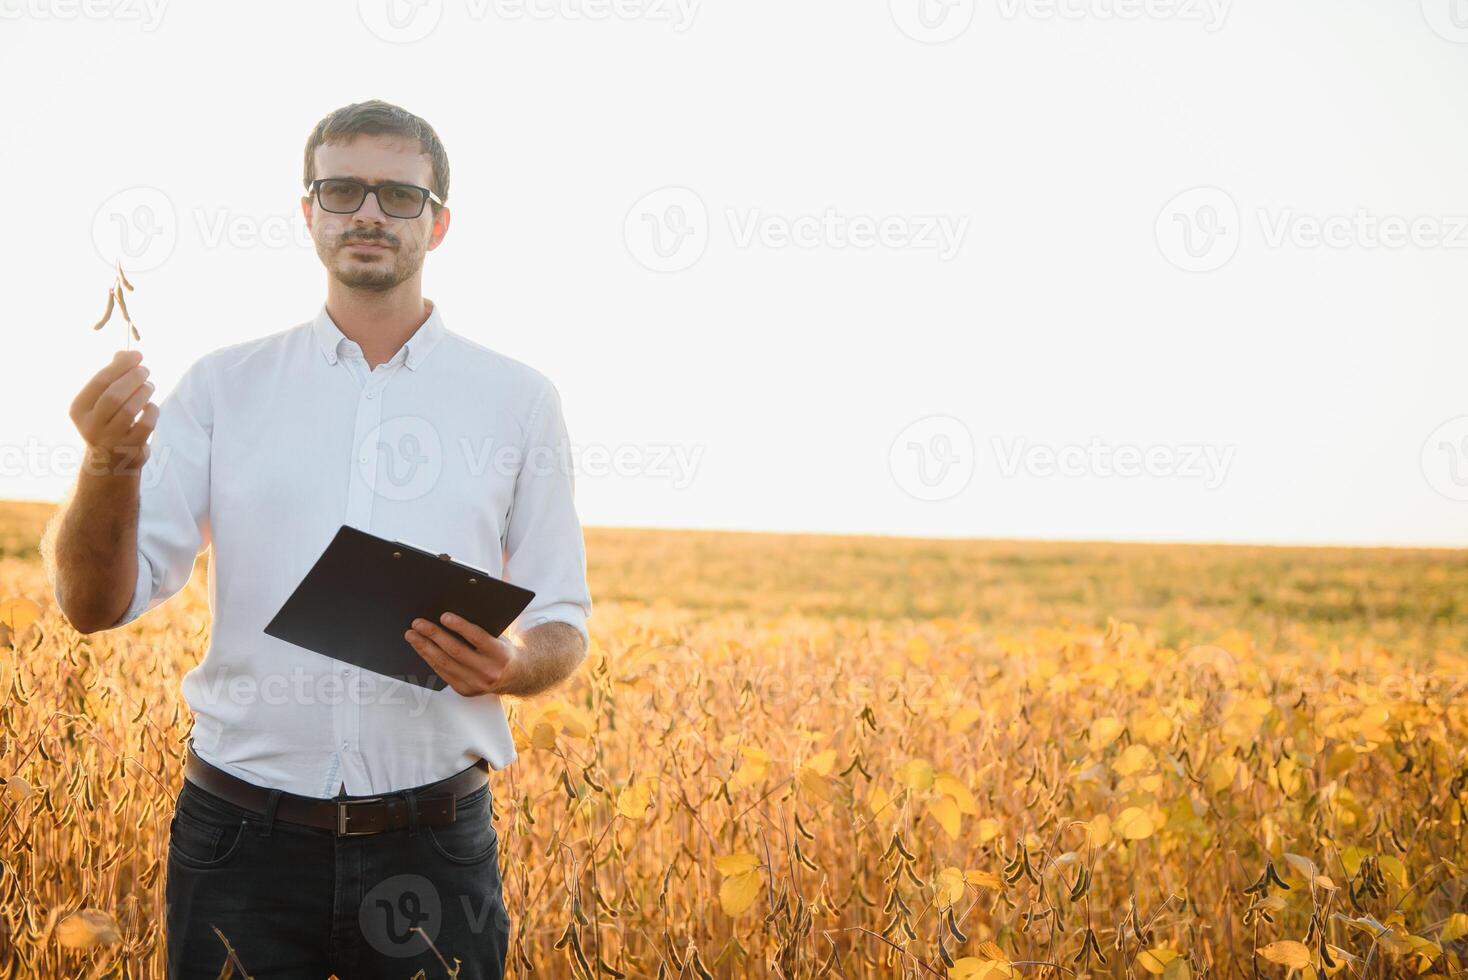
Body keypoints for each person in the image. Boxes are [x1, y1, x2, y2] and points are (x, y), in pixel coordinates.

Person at [42, 99, 593, 979]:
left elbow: (563, 617)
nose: (368, 212)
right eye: (342, 190)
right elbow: (93, 605)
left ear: (438, 223)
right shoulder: (223, 387)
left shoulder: (518, 400)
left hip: (435, 847)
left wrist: (516, 665)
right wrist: (109, 464)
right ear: (310, 214)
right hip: (239, 846)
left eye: (397, 196)